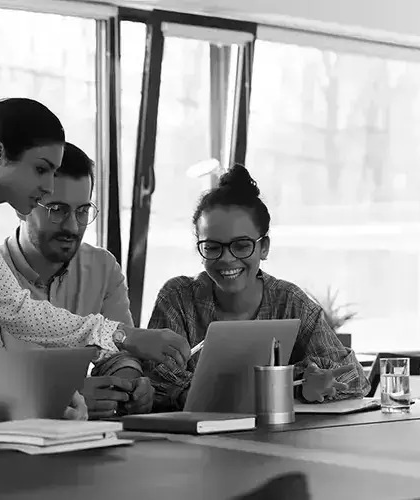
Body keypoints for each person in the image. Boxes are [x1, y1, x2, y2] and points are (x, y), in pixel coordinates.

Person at [0, 98, 190, 384]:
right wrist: (123, 335)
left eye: (53, 173)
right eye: (41, 170)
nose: (48, 186)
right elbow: (15, 310)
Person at [145, 164, 371, 411]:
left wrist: (312, 381)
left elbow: (355, 379)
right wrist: (286, 385)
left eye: (242, 246)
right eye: (212, 247)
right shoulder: (178, 298)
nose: (227, 259)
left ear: (264, 247)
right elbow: (155, 379)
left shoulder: (290, 302)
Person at [0, 142, 153, 419]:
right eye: (57, 209)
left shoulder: (103, 268)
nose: (72, 226)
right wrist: (64, 396)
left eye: (82, 211)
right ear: (22, 207)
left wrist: (127, 387)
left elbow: (116, 353)